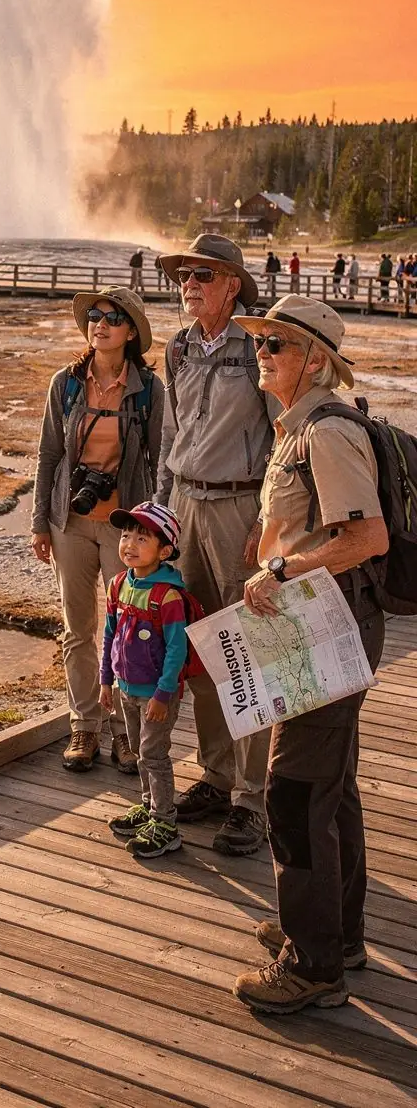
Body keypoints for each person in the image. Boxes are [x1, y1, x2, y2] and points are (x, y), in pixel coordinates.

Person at [230, 295, 387, 1013]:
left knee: (293, 794)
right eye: (260, 342)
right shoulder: (296, 427)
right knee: (332, 788)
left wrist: (283, 571)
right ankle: (337, 934)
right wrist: (268, 554)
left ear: (315, 360)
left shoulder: (325, 431)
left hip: (328, 624)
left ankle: (313, 967)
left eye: (275, 345)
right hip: (313, 621)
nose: (260, 353)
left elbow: (366, 539)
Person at [154, 234, 275, 856]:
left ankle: (252, 800)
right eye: (184, 274)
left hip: (240, 506)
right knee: (200, 644)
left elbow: (284, 435)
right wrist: (158, 516)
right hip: (185, 506)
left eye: (204, 274)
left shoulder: (257, 345)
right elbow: (170, 438)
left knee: (247, 652)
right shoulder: (177, 348)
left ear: (234, 284)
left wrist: (270, 519)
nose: (190, 283)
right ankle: (217, 776)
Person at [32, 287, 164, 773]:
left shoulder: (149, 391)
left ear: (131, 332)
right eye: (94, 316)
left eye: (112, 318)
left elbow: (159, 460)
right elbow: (49, 456)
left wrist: (156, 529)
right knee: (77, 630)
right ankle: (84, 727)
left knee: (127, 629)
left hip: (123, 529)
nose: (100, 324)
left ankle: (126, 735)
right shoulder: (65, 384)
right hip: (69, 521)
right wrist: (39, 521)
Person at [102, 503, 192, 859]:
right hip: (125, 688)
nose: (129, 544)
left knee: (154, 756)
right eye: (126, 536)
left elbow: (176, 650)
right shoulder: (118, 584)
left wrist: (163, 693)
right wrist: (105, 680)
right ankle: (147, 804)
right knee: (140, 753)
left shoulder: (167, 596)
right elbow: (109, 634)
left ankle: (165, 823)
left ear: (164, 551)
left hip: (157, 695)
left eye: (142, 538)